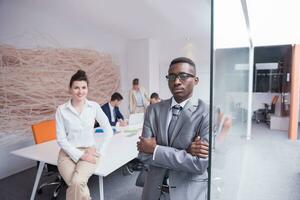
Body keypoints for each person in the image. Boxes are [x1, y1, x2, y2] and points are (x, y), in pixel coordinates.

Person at [137, 57, 210, 200]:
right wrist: (185, 152)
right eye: (171, 76)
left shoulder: (207, 113)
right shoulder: (153, 110)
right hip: (153, 190)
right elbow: (143, 154)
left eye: (183, 76)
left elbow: (199, 164)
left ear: (196, 80)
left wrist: (155, 149)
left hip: (188, 192)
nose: (176, 81)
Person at [55, 70, 113, 200]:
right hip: (66, 154)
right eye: (76, 87)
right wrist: (81, 156)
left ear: (87, 89)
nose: (80, 91)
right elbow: (61, 140)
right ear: (70, 89)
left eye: (83, 87)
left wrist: (101, 152)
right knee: (81, 190)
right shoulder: (61, 110)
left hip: (90, 151)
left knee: (76, 182)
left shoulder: (94, 107)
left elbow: (108, 129)